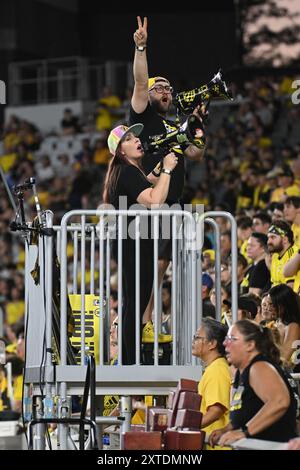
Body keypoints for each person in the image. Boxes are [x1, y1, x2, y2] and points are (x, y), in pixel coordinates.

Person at [129, 16, 205, 329]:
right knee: (148, 268)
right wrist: (142, 47)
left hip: (174, 205)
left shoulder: (176, 125)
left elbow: (196, 153)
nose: (166, 91)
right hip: (147, 202)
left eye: (169, 89)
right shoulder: (142, 115)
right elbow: (139, 81)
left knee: (162, 267)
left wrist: (199, 125)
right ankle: (140, 322)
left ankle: (152, 322)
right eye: (159, 87)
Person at [102, 124, 177, 364]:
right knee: (136, 304)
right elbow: (155, 201)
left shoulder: (126, 173)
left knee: (133, 303)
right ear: (120, 151)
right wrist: (166, 169)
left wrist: (157, 173)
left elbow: (144, 185)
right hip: (133, 245)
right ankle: (129, 362)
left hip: (130, 244)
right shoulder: (126, 172)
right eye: (129, 138)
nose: (137, 140)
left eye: (135, 136)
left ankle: (128, 360)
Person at [209, 320, 298, 447]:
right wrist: (227, 429)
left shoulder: (259, 367)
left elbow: (280, 401)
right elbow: (247, 413)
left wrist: (244, 432)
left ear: (250, 345)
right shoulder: (242, 372)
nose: (224, 343)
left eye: (232, 339)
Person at [192, 318, 231, 449]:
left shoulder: (217, 370)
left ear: (212, 343)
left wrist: (188, 428)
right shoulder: (214, 368)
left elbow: (216, 410)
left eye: (197, 337)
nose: (194, 341)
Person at [268, 284, 300, 372]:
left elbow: (284, 357)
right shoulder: (275, 323)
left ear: (283, 305)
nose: (269, 308)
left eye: (272, 305)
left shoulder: (293, 327)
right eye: (268, 304)